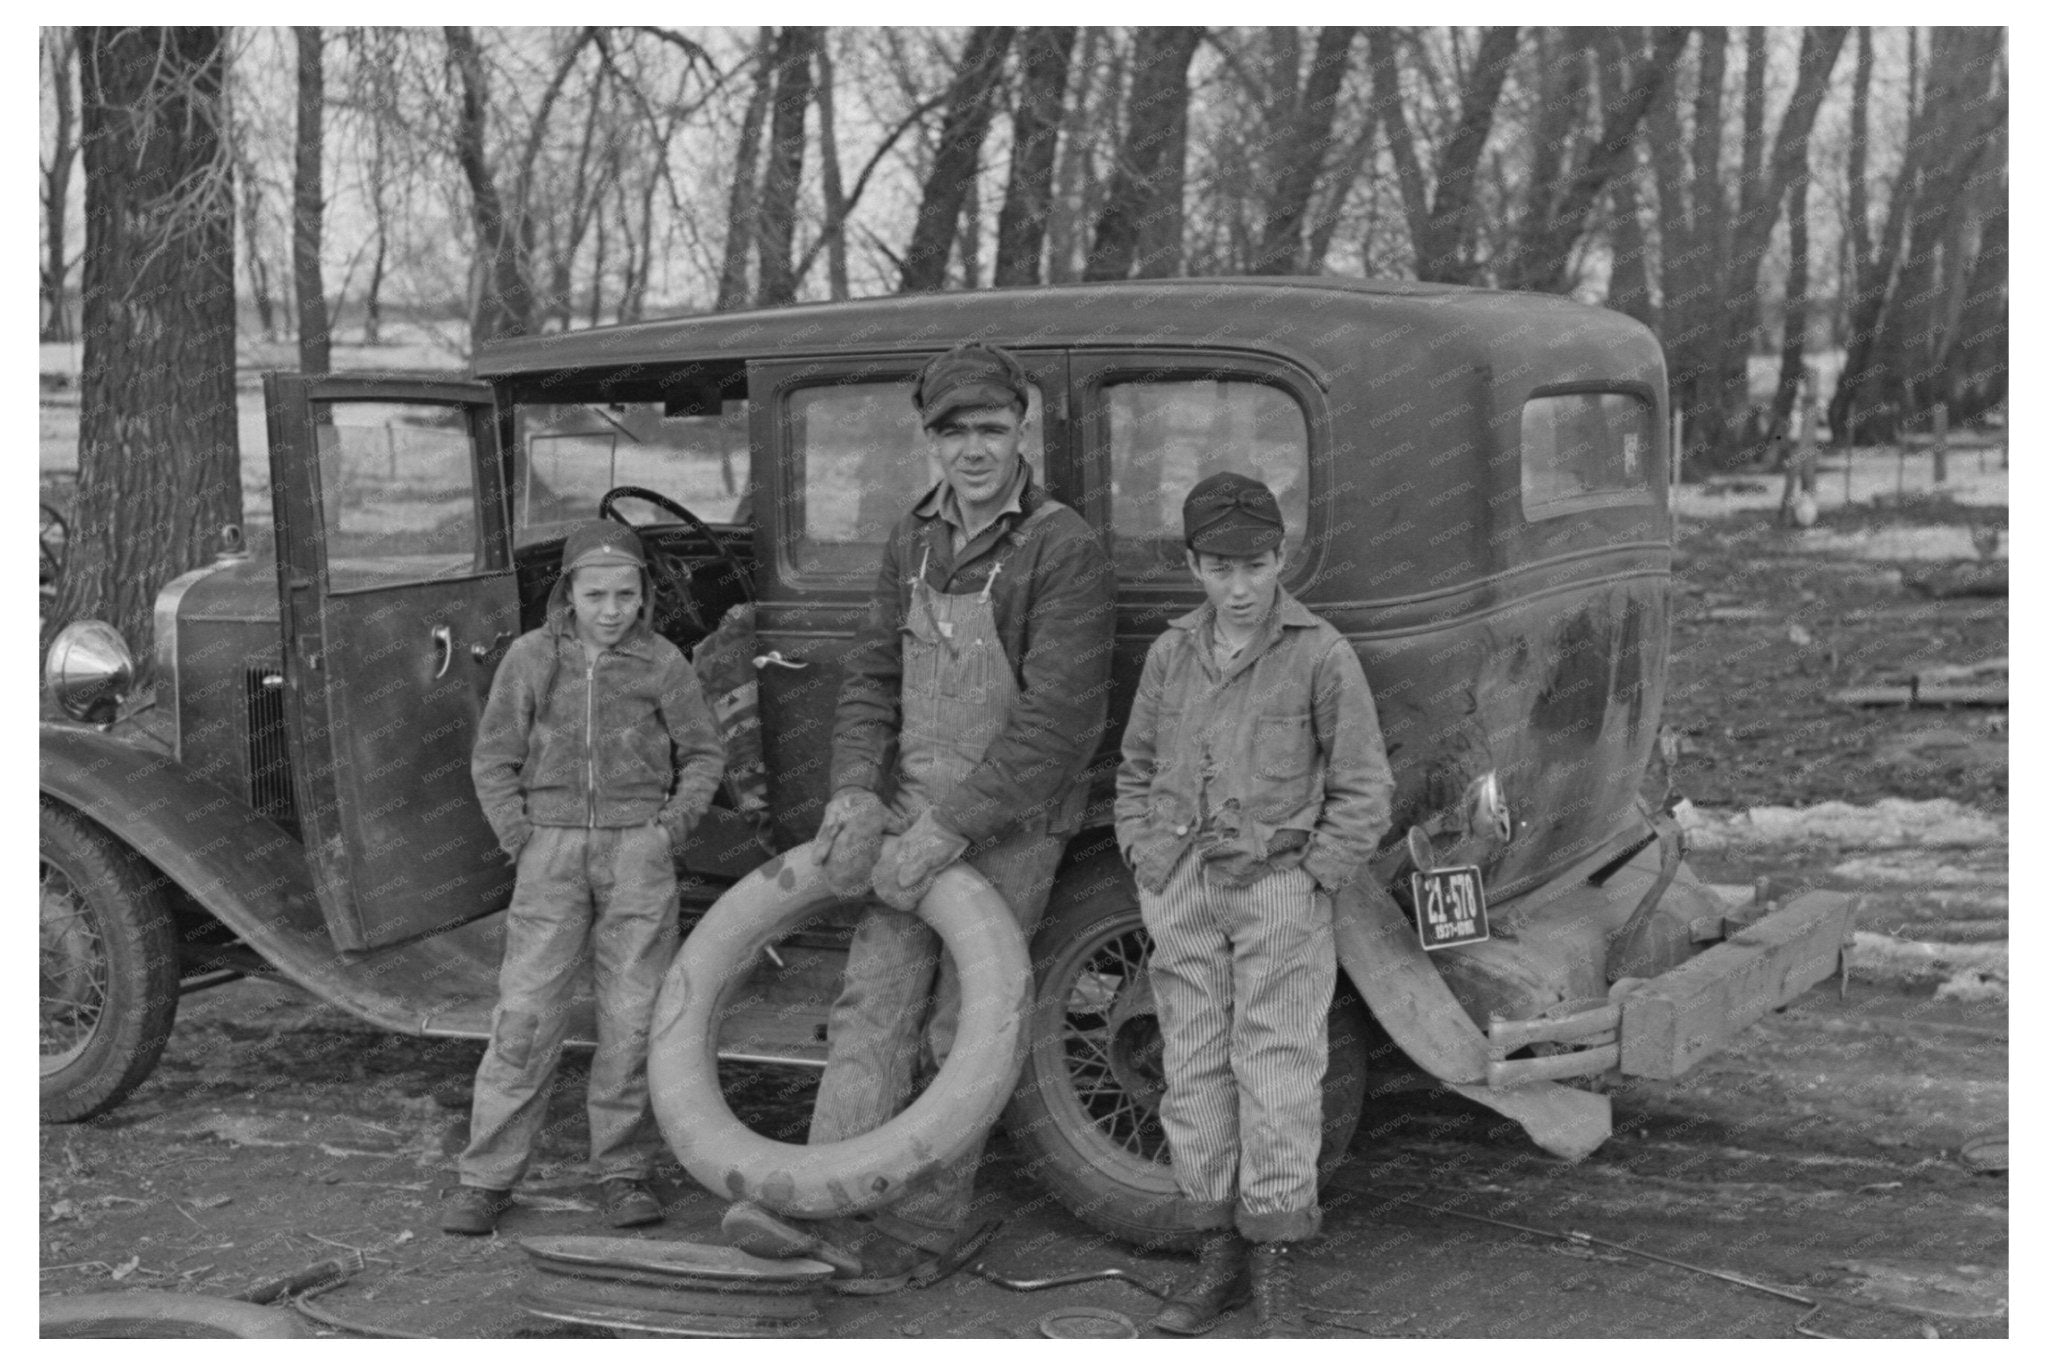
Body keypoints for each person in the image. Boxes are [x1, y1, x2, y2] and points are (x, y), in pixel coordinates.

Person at [722, 342, 1116, 1288]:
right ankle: (817, 1203)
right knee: (873, 1002)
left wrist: (954, 826)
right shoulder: (914, 536)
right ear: (929, 439)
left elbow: (1059, 722)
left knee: (961, 1025)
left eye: (991, 428)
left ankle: (919, 1229)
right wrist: (857, 789)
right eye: (953, 432)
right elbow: (871, 674)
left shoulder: (1062, 547)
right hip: (909, 812)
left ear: (1021, 430)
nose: (974, 449)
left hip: (1011, 825)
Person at [1114, 472, 1393, 1336]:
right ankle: (1215, 1256)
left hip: (1277, 890)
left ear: (1282, 559)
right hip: (1182, 886)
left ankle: (1274, 1260)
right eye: (1221, 568)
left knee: (1276, 1068)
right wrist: (1145, 857)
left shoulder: (1320, 655)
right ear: (1193, 566)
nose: (1240, 588)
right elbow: (1134, 769)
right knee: (1193, 1063)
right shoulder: (1170, 655)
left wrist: (1312, 877)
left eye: (1257, 565)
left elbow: (1364, 788)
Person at [443, 520, 726, 1236]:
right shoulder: (532, 658)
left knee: (632, 1020)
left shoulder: (662, 662)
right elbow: (493, 757)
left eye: (625, 594)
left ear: (643, 593)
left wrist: (668, 829)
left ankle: (622, 1170)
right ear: (568, 593)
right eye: (595, 594)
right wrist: (521, 836)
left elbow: (703, 755)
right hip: (552, 854)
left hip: (638, 856)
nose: (611, 609)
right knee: (525, 1015)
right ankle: (486, 1177)